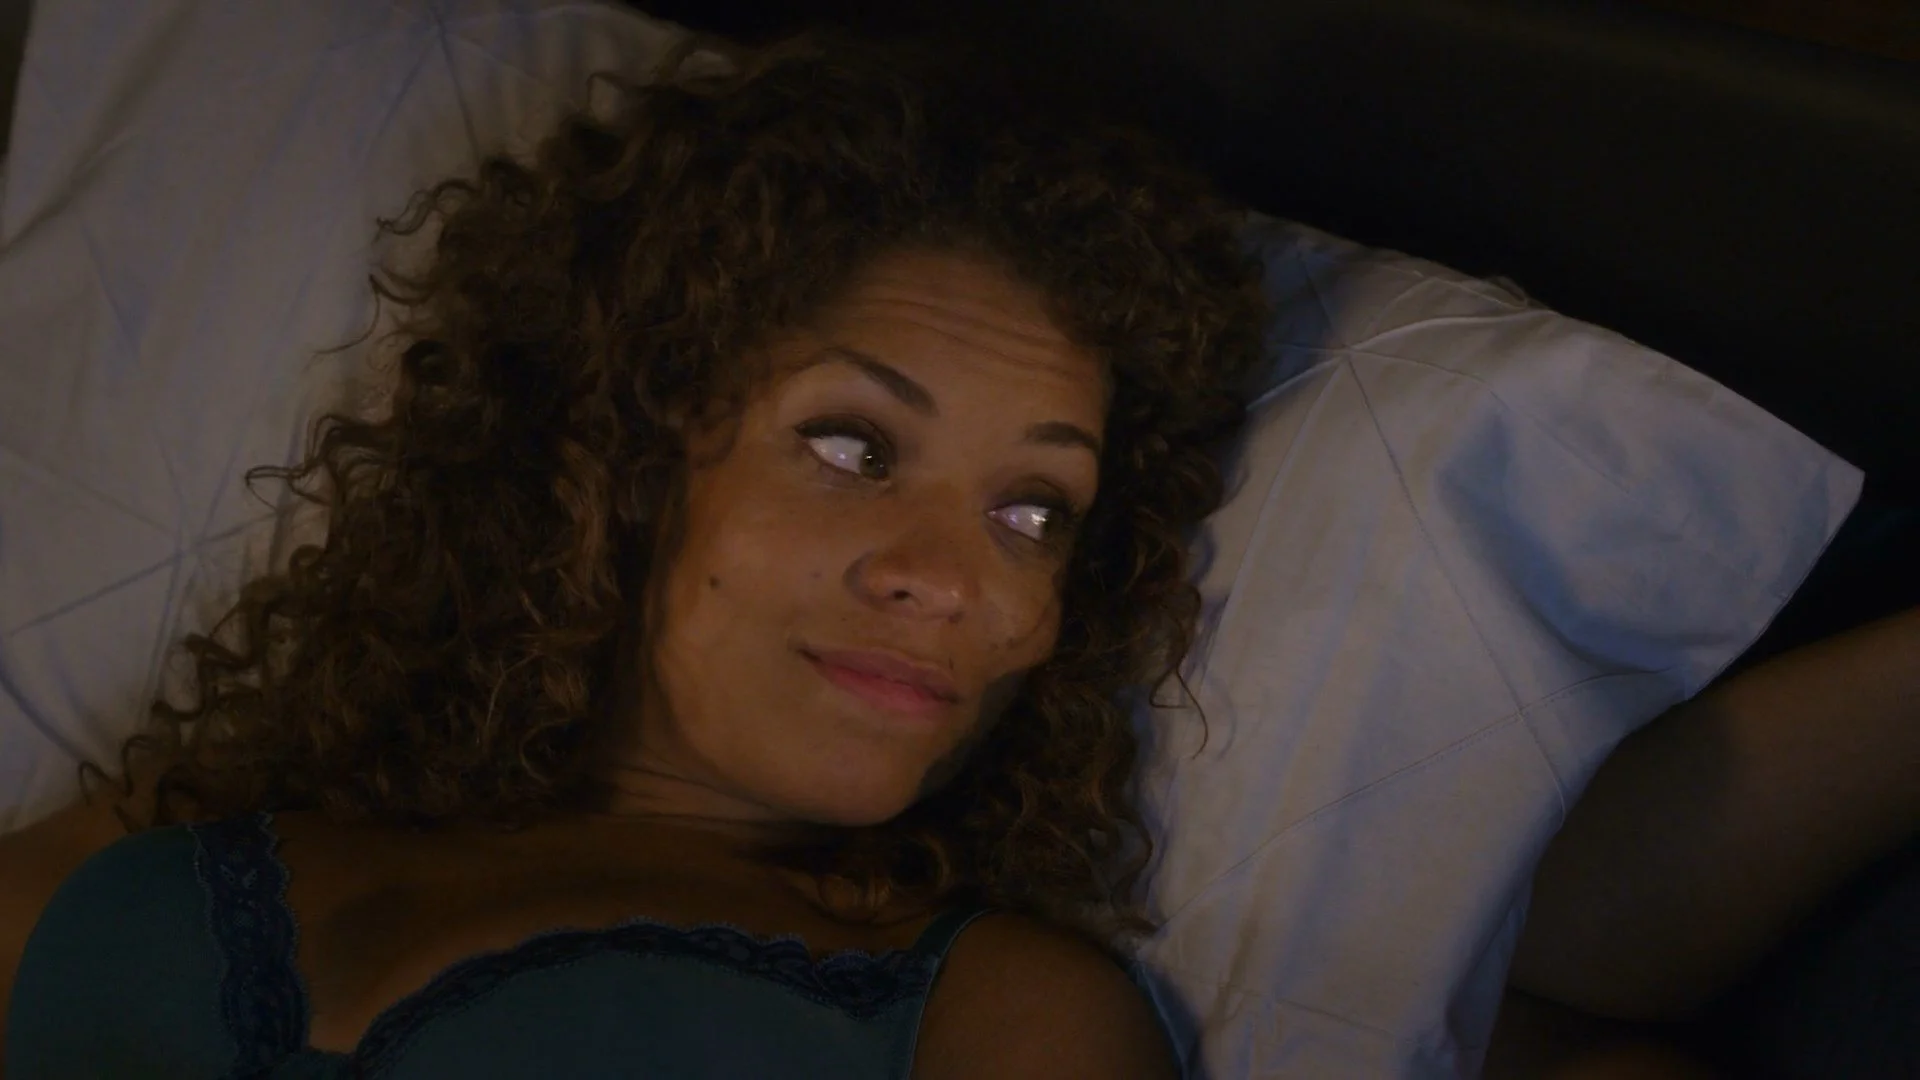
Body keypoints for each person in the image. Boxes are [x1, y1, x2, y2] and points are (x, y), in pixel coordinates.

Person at [0, 31, 1267, 1079]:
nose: (944, 578)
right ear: (625, 457)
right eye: (851, 447)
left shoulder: (998, 1017)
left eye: (1034, 514)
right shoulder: (176, 841)